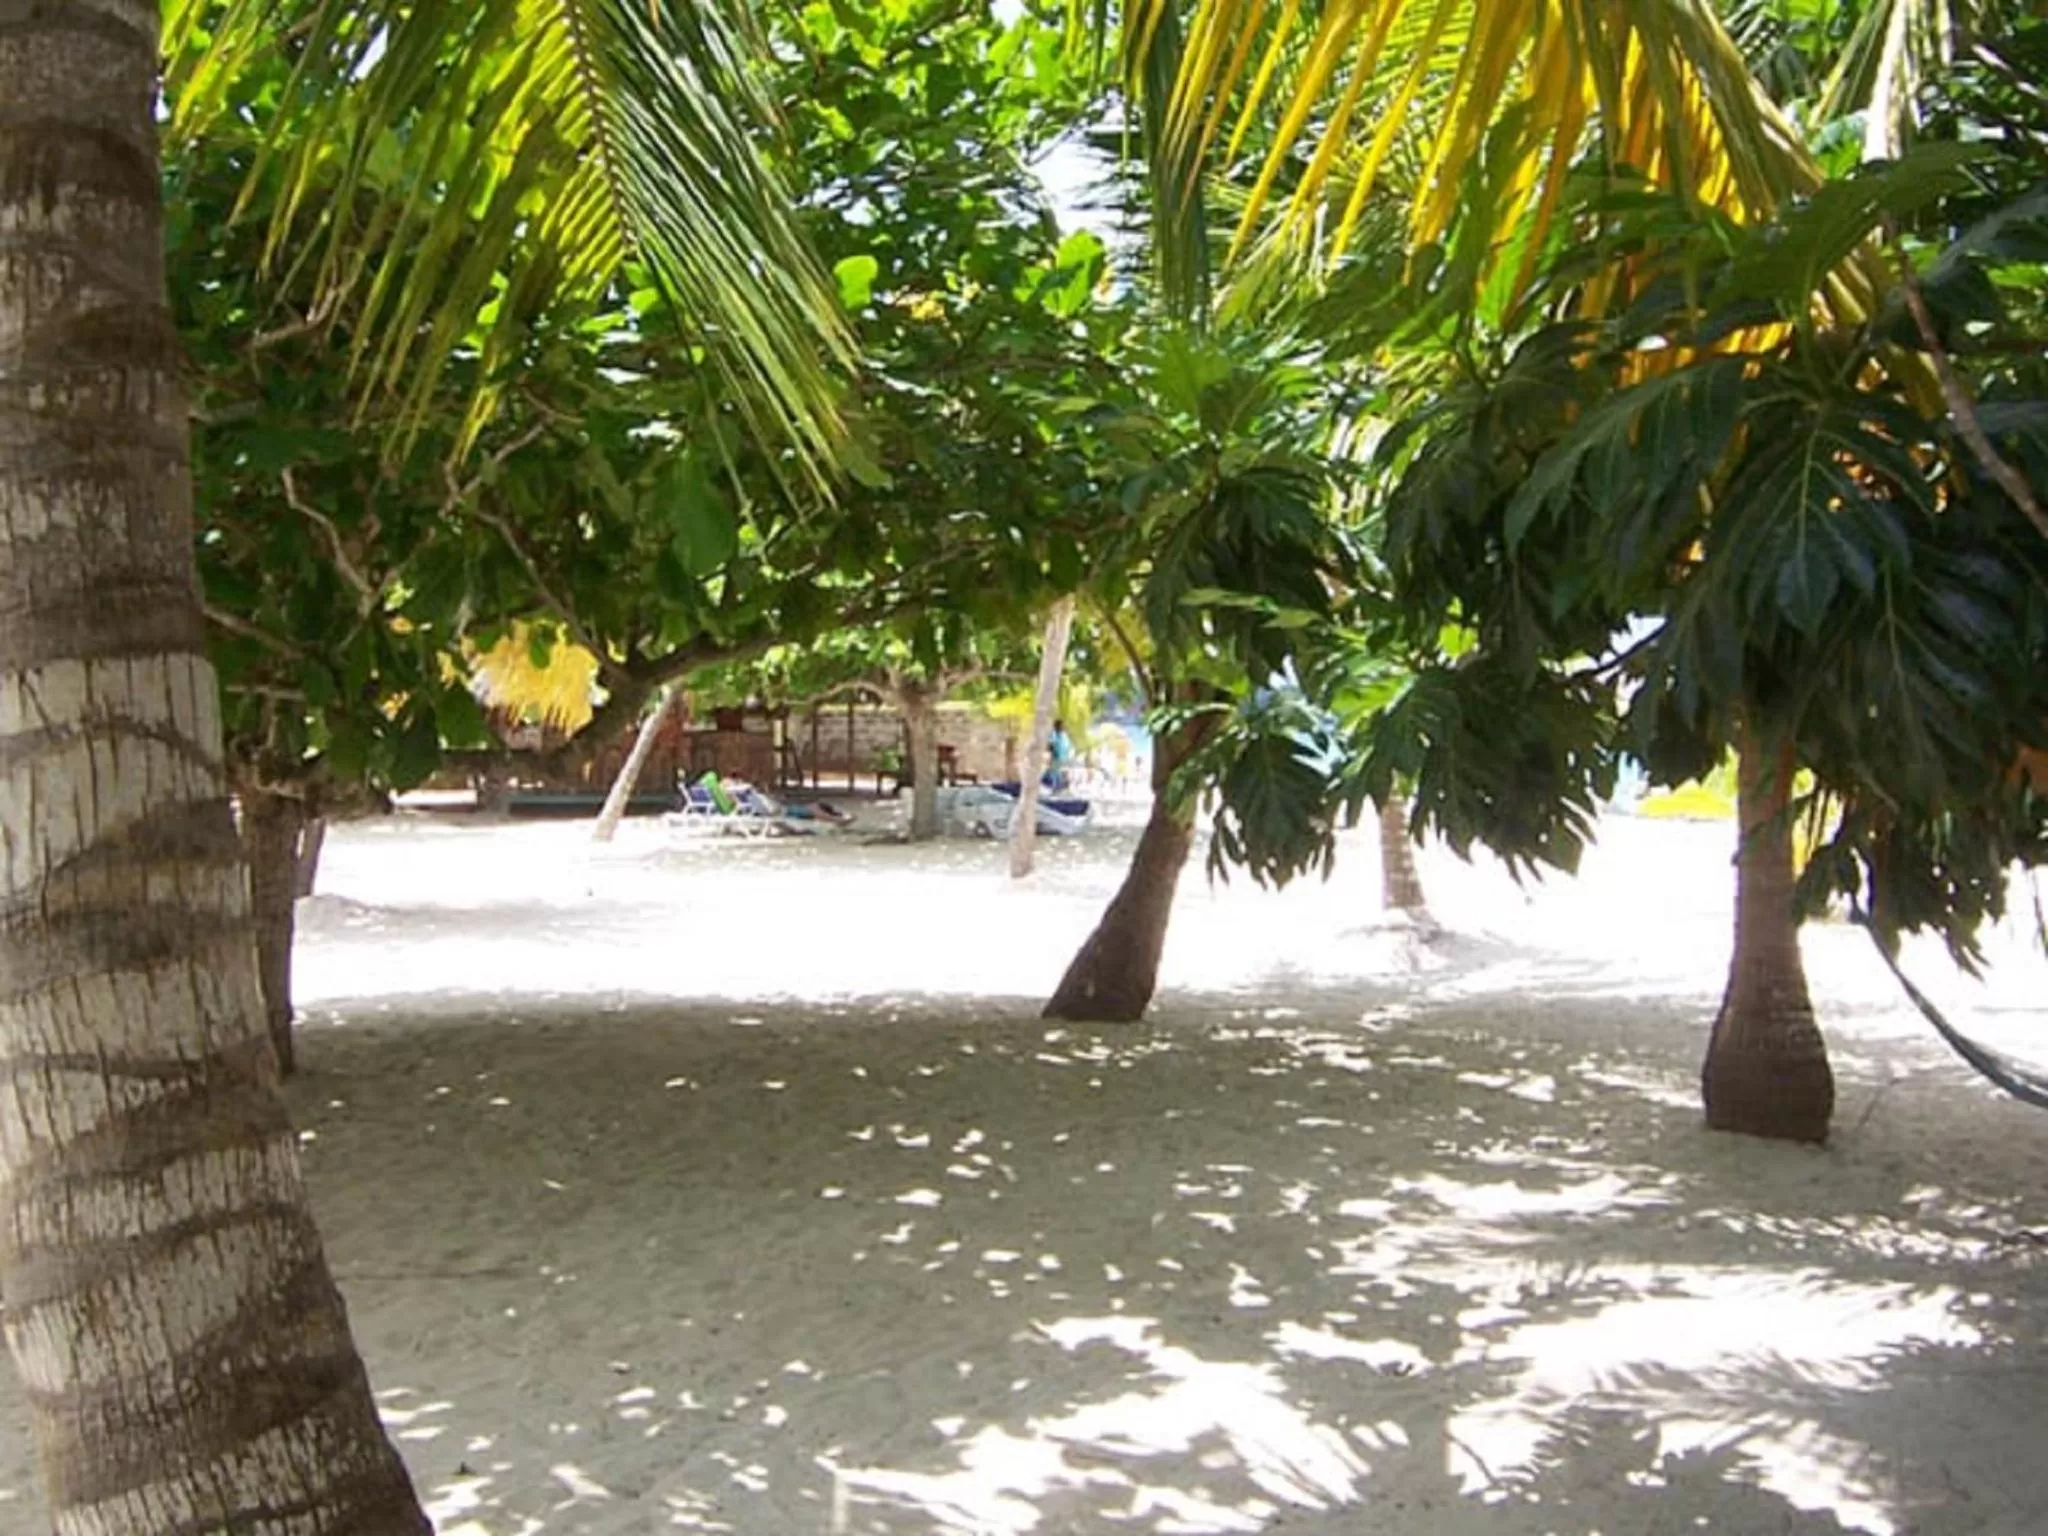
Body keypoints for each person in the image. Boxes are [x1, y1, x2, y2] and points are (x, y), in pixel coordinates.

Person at [1047, 719, 1076, 791]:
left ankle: (1064, 789)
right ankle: (1056, 789)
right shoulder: (1053, 735)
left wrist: (1070, 756)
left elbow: (1069, 746)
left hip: (1064, 758)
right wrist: (1053, 754)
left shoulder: (1064, 735)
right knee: (1056, 775)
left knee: (1064, 775)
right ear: (1056, 726)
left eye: (1063, 726)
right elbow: (1050, 746)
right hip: (1056, 758)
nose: (1063, 727)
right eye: (1061, 726)